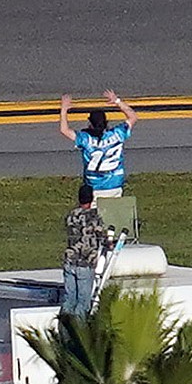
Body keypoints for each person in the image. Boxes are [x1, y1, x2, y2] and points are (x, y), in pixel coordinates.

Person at [59, 91, 139, 236]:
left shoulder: (85, 139)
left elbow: (64, 130)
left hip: (94, 189)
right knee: (113, 227)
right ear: (106, 123)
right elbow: (133, 116)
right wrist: (117, 101)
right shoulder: (117, 134)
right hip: (115, 186)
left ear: (90, 123)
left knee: (91, 228)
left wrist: (64, 109)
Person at [61, 184, 109, 314]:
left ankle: (64, 329)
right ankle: (79, 331)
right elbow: (103, 237)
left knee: (69, 301)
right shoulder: (94, 217)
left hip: (70, 261)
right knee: (83, 304)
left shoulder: (71, 216)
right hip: (85, 263)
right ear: (92, 198)